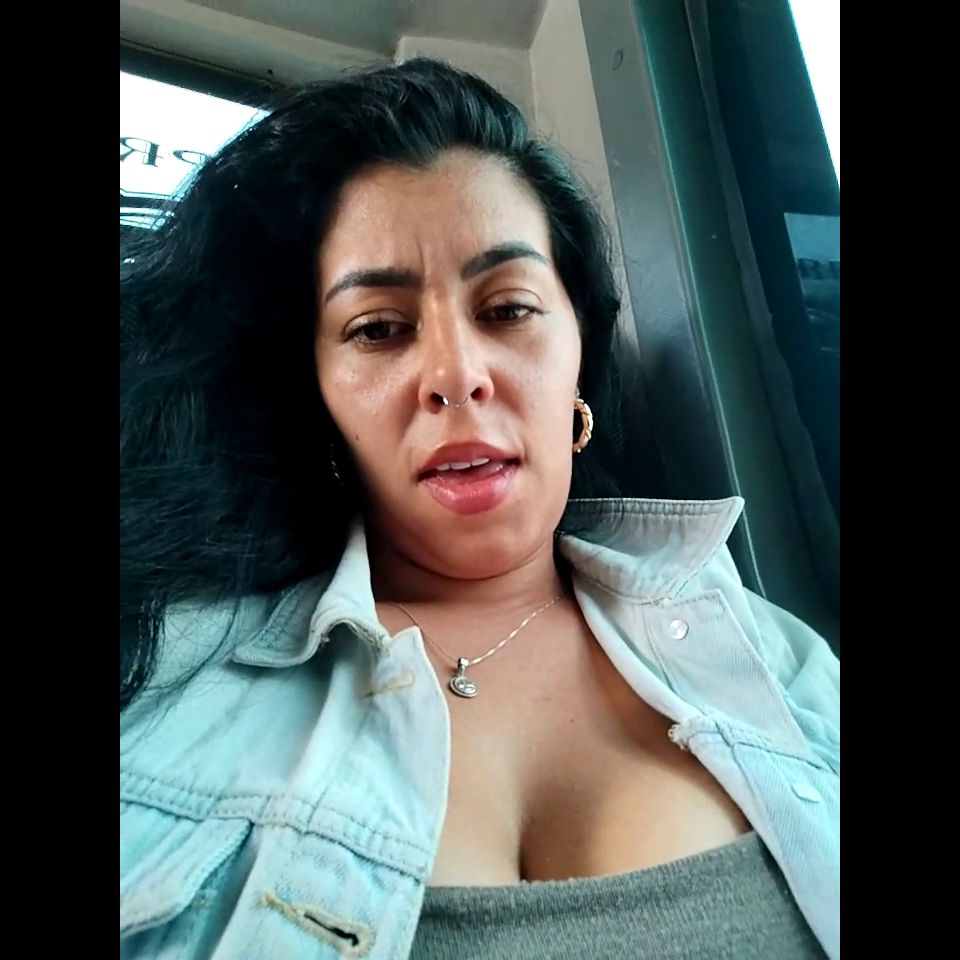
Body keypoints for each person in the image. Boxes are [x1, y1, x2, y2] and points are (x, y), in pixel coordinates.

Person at [120, 57, 839, 959]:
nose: (457, 374)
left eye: (507, 309)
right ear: (316, 391)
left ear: (579, 349)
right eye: (379, 328)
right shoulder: (163, 677)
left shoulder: (770, 653)